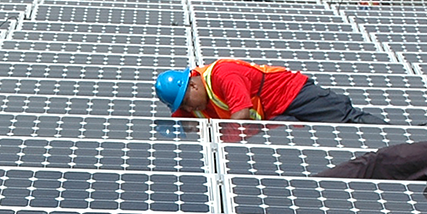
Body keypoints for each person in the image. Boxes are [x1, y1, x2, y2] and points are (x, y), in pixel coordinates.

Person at [154, 60, 380, 123]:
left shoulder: (223, 75)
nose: (189, 109)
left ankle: (405, 140)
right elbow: (177, 129)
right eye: (182, 107)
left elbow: (240, 119)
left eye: (186, 101)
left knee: (346, 118)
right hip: (273, 117)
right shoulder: (191, 105)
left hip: (291, 93)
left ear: (193, 84)